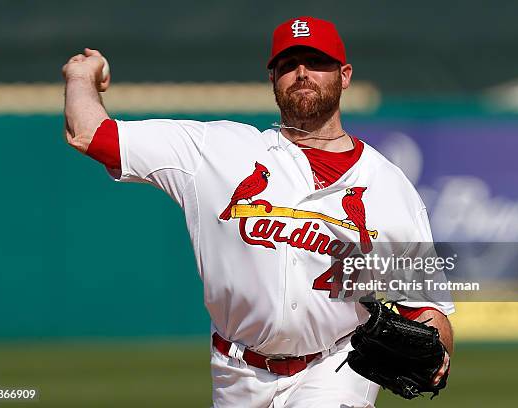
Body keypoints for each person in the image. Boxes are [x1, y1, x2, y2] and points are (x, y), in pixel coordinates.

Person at [62, 16, 454, 408]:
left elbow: (425, 308)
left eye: (316, 61)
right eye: (288, 65)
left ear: (344, 75)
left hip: (336, 367)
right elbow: (92, 134)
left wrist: (437, 352)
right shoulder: (214, 151)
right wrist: (81, 75)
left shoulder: (389, 186)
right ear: (272, 79)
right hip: (237, 373)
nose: (302, 73)